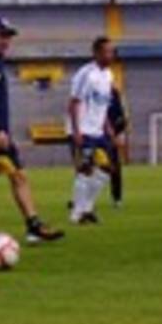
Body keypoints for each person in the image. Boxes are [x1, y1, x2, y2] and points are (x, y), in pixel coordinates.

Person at [0, 17, 64, 248]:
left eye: (8, 36)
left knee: (19, 175)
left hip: (1, 135)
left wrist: (2, 131)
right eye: (2, 36)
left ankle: (33, 225)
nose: (6, 41)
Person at [66, 37, 116, 224]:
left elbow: (102, 105)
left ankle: (86, 208)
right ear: (96, 53)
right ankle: (77, 214)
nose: (110, 55)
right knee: (85, 169)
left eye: (112, 51)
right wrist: (76, 131)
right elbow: (73, 102)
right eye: (107, 52)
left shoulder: (109, 75)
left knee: (105, 169)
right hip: (83, 130)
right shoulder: (85, 74)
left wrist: (108, 126)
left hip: (98, 131)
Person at [106, 84, 129, 208]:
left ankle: (117, 198)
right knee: (91, 169)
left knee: (115, 168)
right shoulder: (91, 92)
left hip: (111, 136)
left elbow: (121, 116)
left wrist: (119, 133)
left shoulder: (115, 93)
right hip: (94, 134)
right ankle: (84, 202)